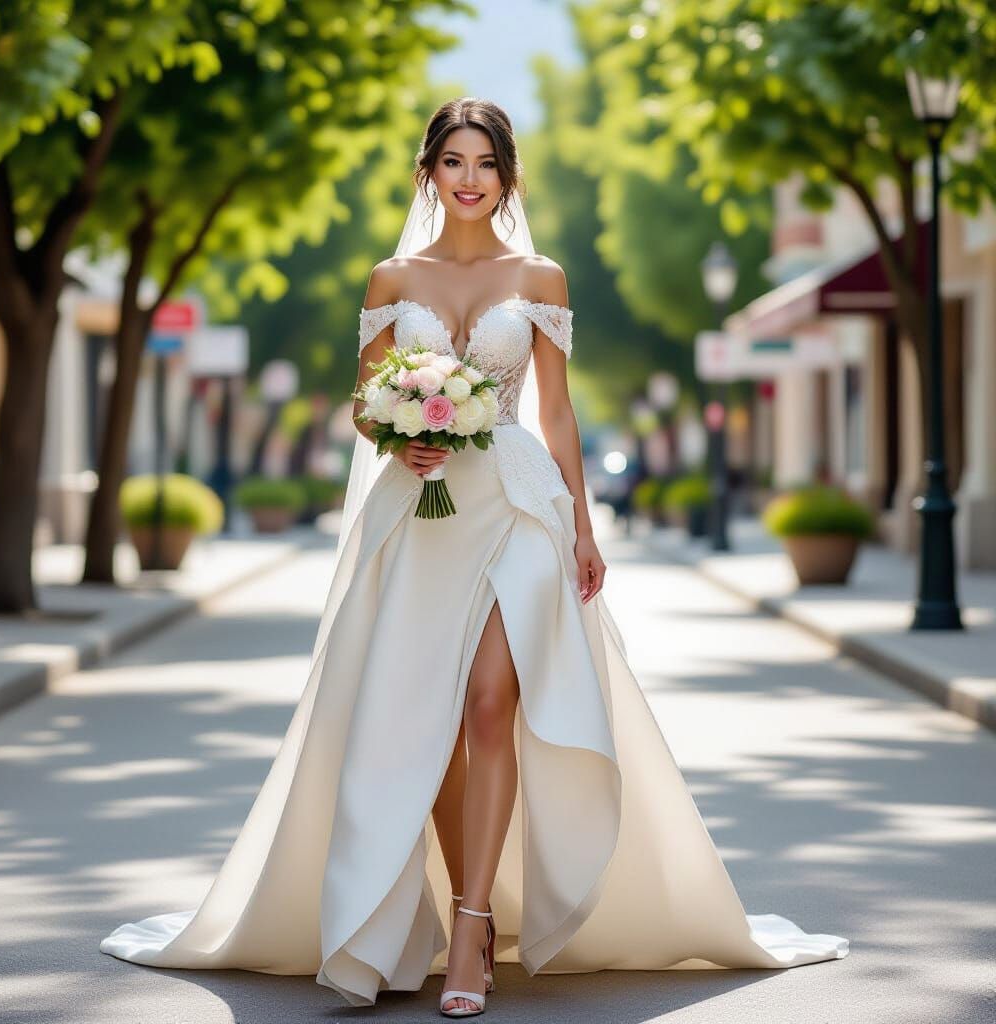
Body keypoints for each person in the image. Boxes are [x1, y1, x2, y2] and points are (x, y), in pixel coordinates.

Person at [99, 97, 848, 1018]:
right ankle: (461, 909)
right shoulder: (388, 278)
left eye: (484, 162)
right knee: (436, 724)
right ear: (429, 172)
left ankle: (471, 924)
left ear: (507, 176)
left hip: (518, 505)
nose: (468, 178)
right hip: (419, 516)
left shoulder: (541, 275)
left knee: (495, 703)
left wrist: (584, 525)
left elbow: (559, 411)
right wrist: (396, 434)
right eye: (452, 161)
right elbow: (363, 403)